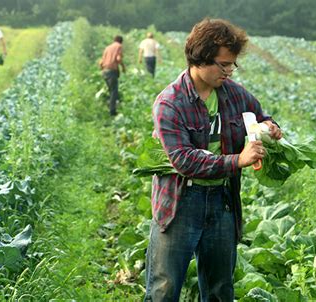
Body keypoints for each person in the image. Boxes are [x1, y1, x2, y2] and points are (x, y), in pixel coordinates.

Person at [144, 18, 282, 301]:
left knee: (220, 288)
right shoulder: (170, 102)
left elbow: (260, 115)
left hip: (223, 200)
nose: (230, 71)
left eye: (233, 64)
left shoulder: (233, 94)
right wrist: (237, 161)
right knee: (164, 288)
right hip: (181, 202)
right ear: (201, 58)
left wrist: (269, 127)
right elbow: (184, 160)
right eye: (224, 64)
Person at [99, 35, 126, 116]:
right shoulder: (119, 46)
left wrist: (102, 69)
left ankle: (111, 105)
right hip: (112, 71)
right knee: (114, 91)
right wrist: (123, 67)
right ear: (121, 41)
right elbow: (118, 59)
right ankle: (112, 111)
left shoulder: (108, 47)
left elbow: (101, 61)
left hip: (105, 70)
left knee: (110, 90)